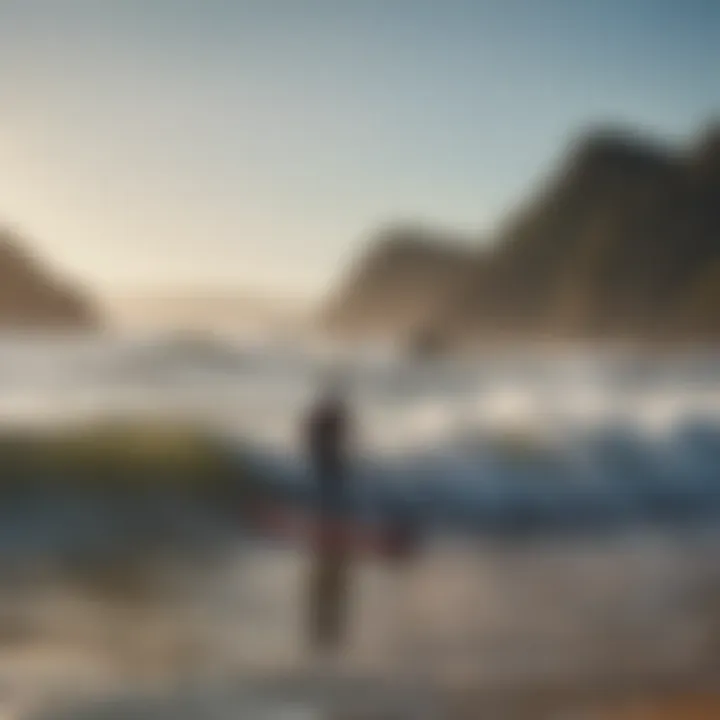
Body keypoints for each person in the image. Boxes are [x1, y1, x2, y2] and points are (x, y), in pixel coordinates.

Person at [304, 379, 352, 653]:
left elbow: (338, 437)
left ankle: (331, 530)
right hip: (327, 461)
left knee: (332, 499)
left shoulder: (329, 414)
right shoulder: (326, 415)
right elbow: (313, 437)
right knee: (330, 499)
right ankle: (329, 529)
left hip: (331, 461)